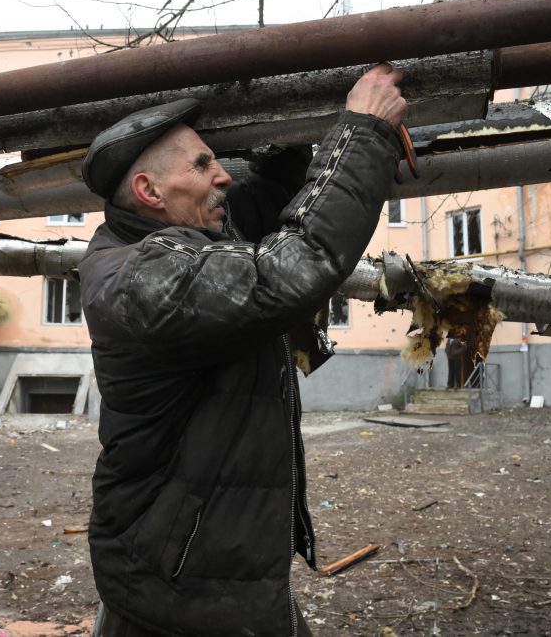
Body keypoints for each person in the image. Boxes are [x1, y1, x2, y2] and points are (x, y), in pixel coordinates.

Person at [79, 63, 407, 636]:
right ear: (149, 191)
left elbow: (268, 202)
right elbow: (290, 269)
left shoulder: (191, 238)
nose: (223, 175)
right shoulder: (140, 275)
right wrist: (364, 131)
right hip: (176, 588)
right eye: (203, 164)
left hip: (207, 575)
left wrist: (287, 138)